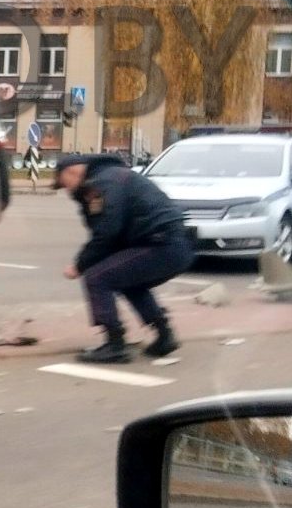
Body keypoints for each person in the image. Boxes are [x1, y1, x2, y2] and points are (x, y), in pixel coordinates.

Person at [53, 153, 194, 363]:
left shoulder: (101, 183)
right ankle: (164, 336)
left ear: (73, 171)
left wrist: (79, 264)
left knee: (96, 277)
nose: (66, 190)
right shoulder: (113, 176)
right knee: (127, 280)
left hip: (161, 244)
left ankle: (115, 344)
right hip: (174, 245)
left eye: (64, 183)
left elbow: (107, 231)